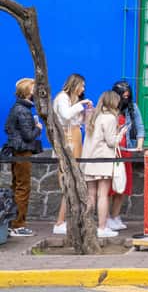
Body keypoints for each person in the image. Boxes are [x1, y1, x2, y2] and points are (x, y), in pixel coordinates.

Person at [52, 73, 93, 235]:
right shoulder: (62, 97)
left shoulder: (72, 100)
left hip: (74, 136)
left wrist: (87, 112)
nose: (83, 89)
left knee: (74, 181)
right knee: (68, 180)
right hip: (67, 138)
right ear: (74, 84)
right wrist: (81, 104)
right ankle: (60, 222)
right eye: (82, 85)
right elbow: (66, 115)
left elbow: (79, 122)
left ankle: (67, 220)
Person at [82, 90, 126, 238]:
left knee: (90, 195)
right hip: (103, 160)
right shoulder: (110, 118)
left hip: (89, 160)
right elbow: (112, 142)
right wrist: (121, 133)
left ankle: (88, 227)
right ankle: (102, 227)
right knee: (103, 195)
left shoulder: (93, 116)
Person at [4, 77, 41, 237]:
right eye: (34, 89)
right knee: (23, 187)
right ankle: (18, 224)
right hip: (23, 151)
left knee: (17, 185)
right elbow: (28, 136)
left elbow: (7, 127)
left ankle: (11, 222)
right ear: (28, 91)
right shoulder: (24, 110)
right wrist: (38, 128)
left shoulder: (16, 108)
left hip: (16, 150)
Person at [107, 80, 145, 232]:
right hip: (111, 152)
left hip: (126, 150)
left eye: (128, 95)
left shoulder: (132, 107)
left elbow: (140, 127)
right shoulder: (108, 108)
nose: (126, 98)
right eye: (123, 95)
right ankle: (106, 218)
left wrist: (139, 145)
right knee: (109, 187)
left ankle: (115, 216)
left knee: (122, 185)